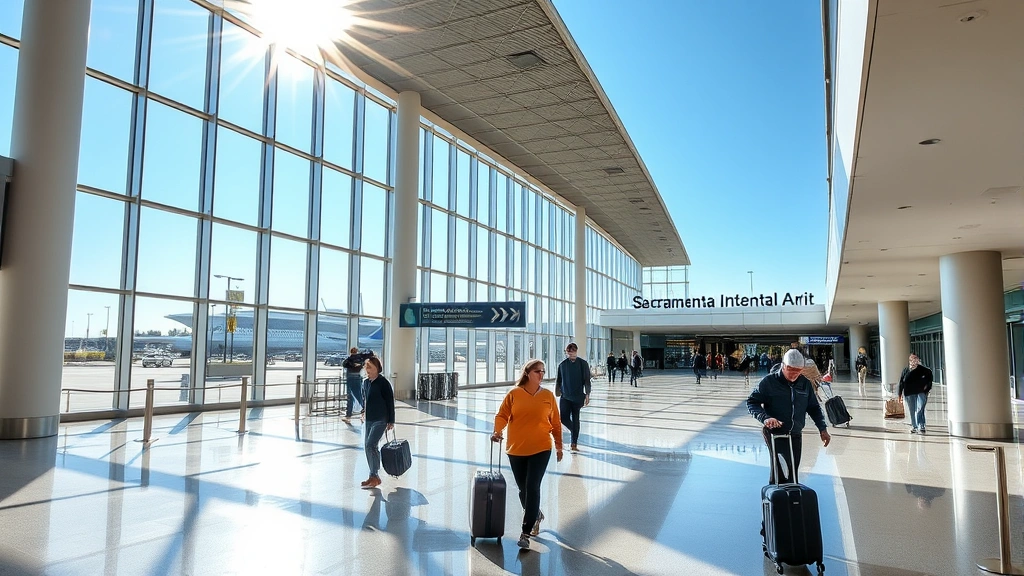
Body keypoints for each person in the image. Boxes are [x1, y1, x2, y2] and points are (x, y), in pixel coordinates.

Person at [491, 359, 563, 550]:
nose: (541, 375)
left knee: (532, 487)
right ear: (527, 373)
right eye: (538, 371)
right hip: (516, 449)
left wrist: (559, 446)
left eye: (543, 372)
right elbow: (502, 415)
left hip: (541, 448)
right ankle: (536, 514)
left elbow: (555, 423)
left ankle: (525, 531)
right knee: (523, 489)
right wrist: (497, 431)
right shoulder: (514, 394)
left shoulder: (548, 396)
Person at [746, 349, 831, 486]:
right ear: (783, 365)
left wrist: (822, 428)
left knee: (792, 470)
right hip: (775, 432)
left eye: (798, 371)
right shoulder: (769, 382)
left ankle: (790, 500)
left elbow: (814, 407)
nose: (794, 374)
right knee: (780, 470)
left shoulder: (804, 384)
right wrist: (765, 418)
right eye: (790, 370)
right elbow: (752, 402)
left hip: (795, 433)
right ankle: (776, 499)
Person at [359, 356, 395, 489]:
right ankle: (373, 476)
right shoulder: (365, 383)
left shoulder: (383, 383)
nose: (367, 369)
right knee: (368, 447)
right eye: (366, 367)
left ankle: (375, 476)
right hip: (369, 419)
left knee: (371, 445)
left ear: (377, 368)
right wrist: (363, 411)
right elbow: (365, 400)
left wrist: (391, 420)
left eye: (370, 367)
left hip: (381, 419)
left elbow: (390, 402)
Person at [555, 342, 591, 452]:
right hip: (565, 396)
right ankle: (574, 430)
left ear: (576, 351)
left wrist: (588, 394)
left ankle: (574, 443)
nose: (571, 355)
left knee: (576, 419)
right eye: (569, 353)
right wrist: (557, 392)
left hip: (578, 396)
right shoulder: (562, 365)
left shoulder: (583, 364)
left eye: (573, 353)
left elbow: (587, 380)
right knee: (564, 418)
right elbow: (559, 379)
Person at [898, 354, 934, 434]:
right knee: (912, 410)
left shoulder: (925, 370)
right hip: (909, 393)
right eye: (912, 360)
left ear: (918, 360)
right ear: (909, 361)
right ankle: (914, 426)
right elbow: (901, 382)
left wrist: (927, 389)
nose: (914, 361)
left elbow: (929, 380)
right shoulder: (906, 370)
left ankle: (921, 425)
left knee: (920, 409)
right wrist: (899, 394)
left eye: (915, 359)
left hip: (921, 392)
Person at [342, 347, 371, 423]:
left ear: (350, 352)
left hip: (350, 379)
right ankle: (363, 415)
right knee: (361, 396)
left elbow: (344, 364)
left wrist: (353, 365)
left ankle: (348, 416)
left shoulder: (349, 359)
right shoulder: (360, 358)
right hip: (358, 378)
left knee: (350, 398)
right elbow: (369, 354)